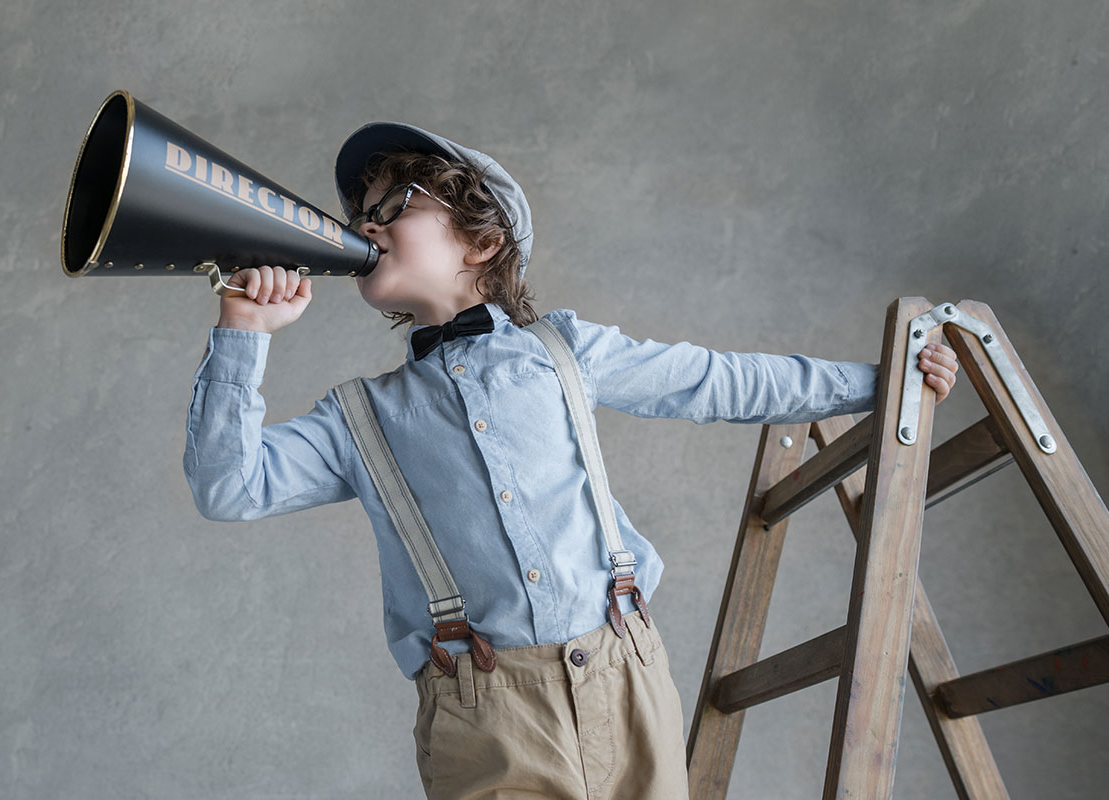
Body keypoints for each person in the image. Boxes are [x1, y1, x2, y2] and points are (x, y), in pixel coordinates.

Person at [182, 121, 960, 800]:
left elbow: (720, 379)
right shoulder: (359, 418)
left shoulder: (566, 351)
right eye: (360, 215)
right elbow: (228, 487)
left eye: (395, 204)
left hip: (625, 674)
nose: (366, 224)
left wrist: (886, 383)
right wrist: (243, 331)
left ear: (483, 241)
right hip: (485, 712)